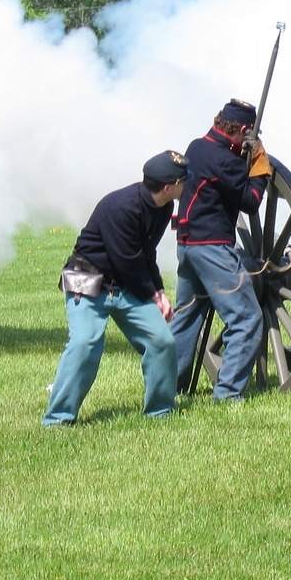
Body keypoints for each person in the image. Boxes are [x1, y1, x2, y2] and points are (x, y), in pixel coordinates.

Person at [43, 150, 188, 426]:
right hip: (87, 280)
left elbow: (146, 254)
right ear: (169, 187)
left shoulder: (163, 207)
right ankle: (58, 419)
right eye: (184, 181)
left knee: (162, 341)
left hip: (125, 285)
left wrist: (158, 291)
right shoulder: (122, 206)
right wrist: (153, 295)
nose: (187, 185)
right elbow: (128, 261)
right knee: (85, 343)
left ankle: (160, 412)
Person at [170, 99, 272, 402]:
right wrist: (259, 165)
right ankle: (227, 394)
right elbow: (251, 201)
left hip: (187, 246)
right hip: (212, 249)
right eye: (250, 134)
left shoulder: (197, 147)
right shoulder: (225, 161)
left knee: (186, 318)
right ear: (243, 129)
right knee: (247, 319)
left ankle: (168, 387)